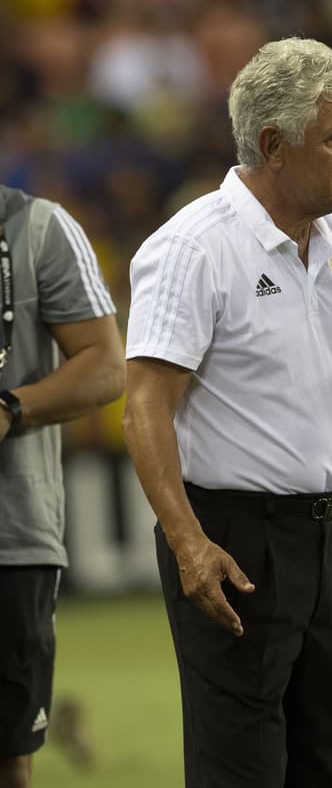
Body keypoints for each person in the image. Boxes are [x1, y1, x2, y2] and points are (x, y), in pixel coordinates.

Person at [121, 37, 332, 788]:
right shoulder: (193, 247)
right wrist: (188, 544)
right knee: (241, 769)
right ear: (274, 146)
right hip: (234, 539)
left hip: (330, 536)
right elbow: (144, 405)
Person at [0, 188, 125, 788]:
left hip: (10, 534)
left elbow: (106, 364)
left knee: (7, 757)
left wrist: (9, 409)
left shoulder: (38, 230)